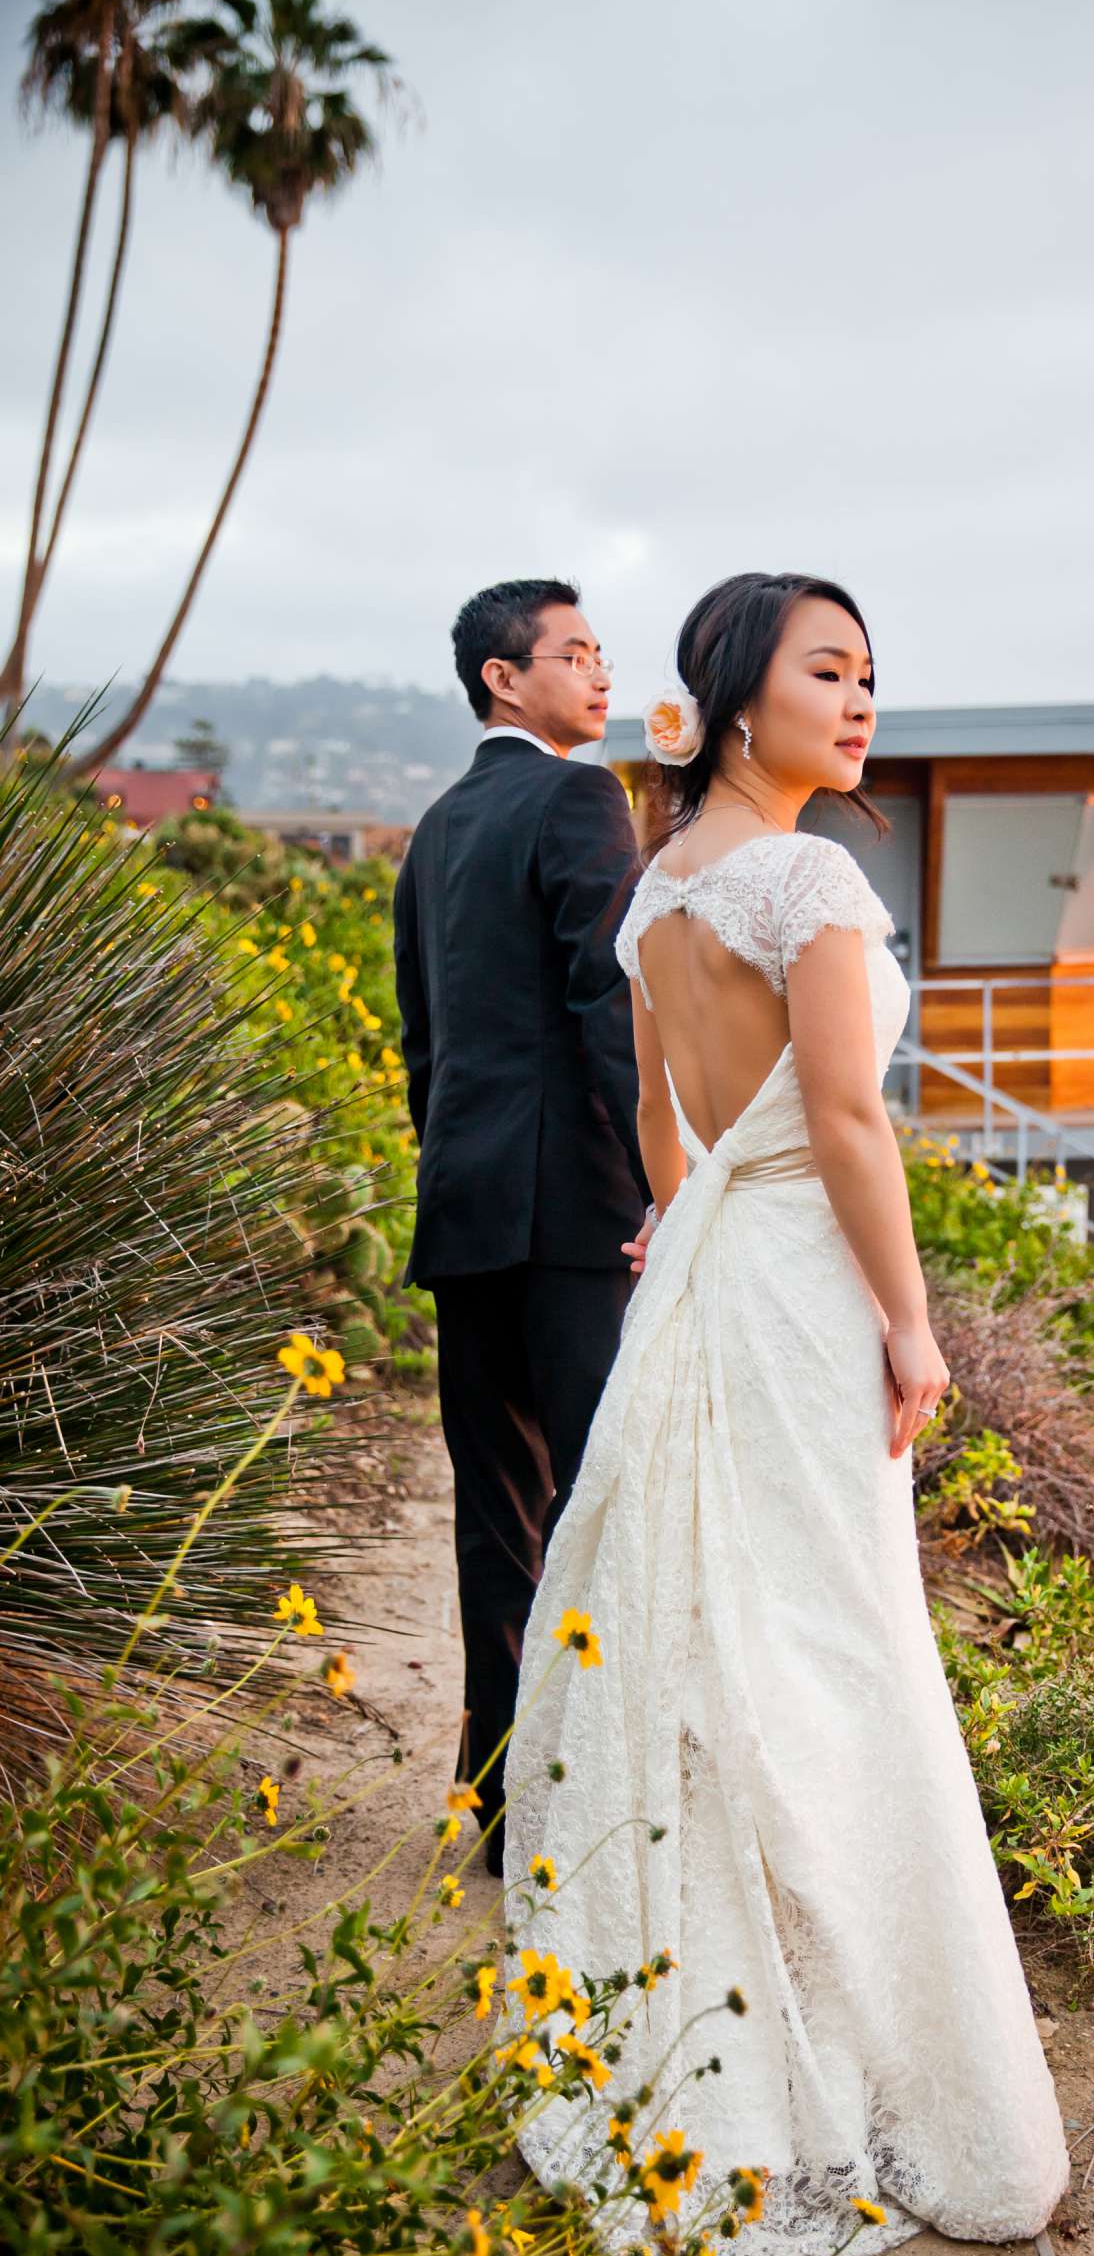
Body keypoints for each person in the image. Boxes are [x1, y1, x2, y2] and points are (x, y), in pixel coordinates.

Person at [498, 571, 1071, 2256]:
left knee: (714, 1632)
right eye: (831, 670)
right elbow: (845, 1123)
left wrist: (679, 1241)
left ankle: (724, 2003)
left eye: (874, 671)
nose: (863, 697)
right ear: (742, 700)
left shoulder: (658, 885)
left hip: (698, 1281)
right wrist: (910, 1322)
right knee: (834, 1639)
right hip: (802, 1290)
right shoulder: (808, 875)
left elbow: (674, 1133)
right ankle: (852, 2045)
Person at [393, 577, 651, 1876]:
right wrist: (665, 1177)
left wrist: (457, 1171)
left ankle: (501, 1805)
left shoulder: (437, 827)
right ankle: (586, 1798)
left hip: (466, 1211)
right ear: (505, 679)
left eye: (603, 653)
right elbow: (607, 999)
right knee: (599, 1501)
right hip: (574, 1218)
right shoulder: (577, 797)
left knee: (496, 1515)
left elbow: (423, 1047)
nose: (602, 676)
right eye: (574, 655)